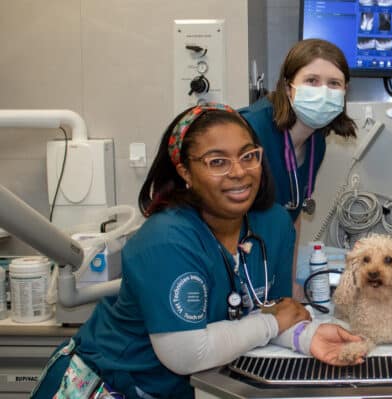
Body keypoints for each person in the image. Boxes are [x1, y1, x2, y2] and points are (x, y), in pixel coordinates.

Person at [32, 104, 363, 399]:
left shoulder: (273, 223)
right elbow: (188, 352)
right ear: (185, 172)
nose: (239, 171)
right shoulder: (166, 239)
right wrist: (271, 324)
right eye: (217, 161)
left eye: (249, 156)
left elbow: (277, 311)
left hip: (183, 387)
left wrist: (308, 337)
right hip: (109, 384)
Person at [240, 39, 356, 222]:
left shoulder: (316, 141)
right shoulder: (249, 130)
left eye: (334, 83)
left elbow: (292, 215)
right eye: (312, 81)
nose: (323, 93)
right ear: (287, 87)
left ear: (345, 91)